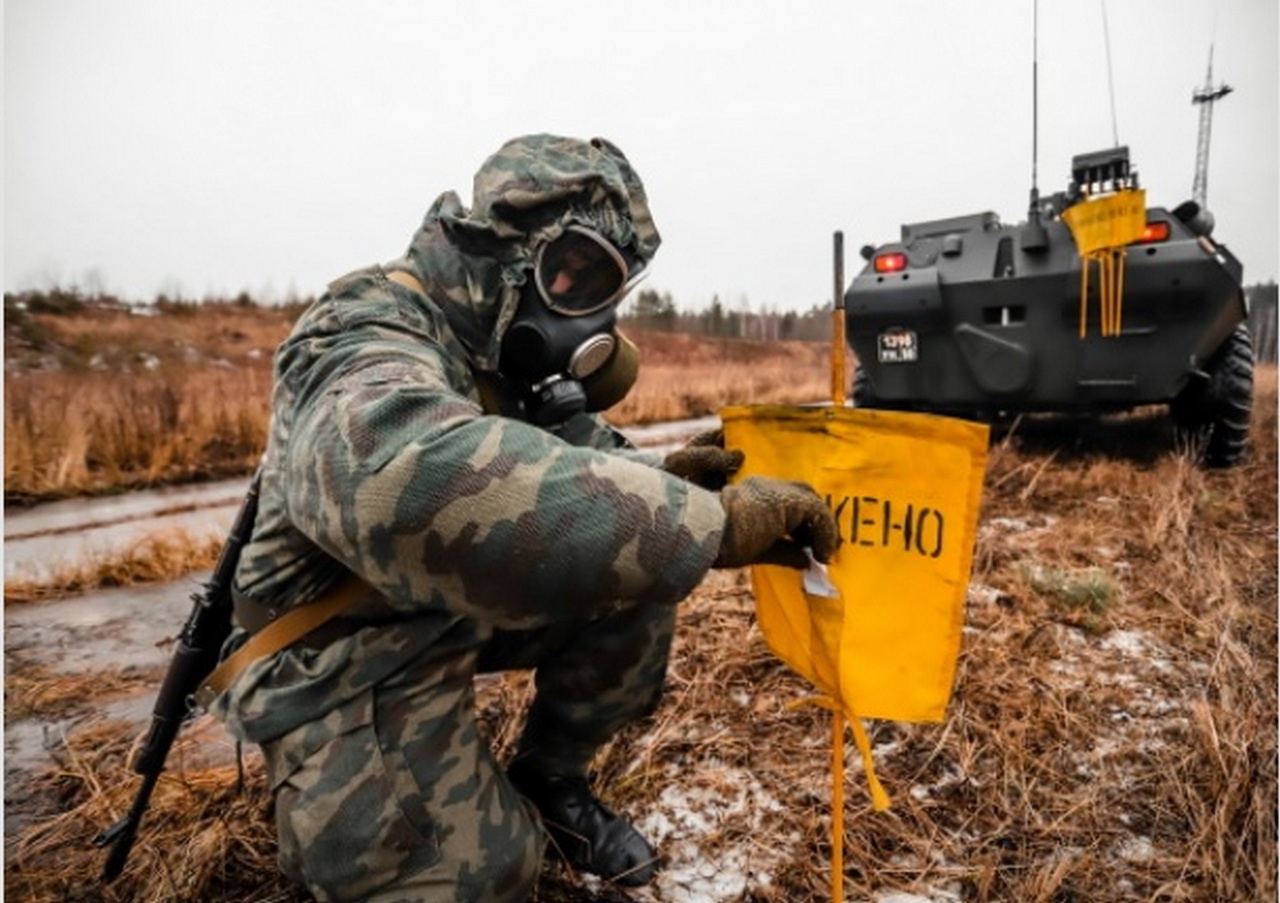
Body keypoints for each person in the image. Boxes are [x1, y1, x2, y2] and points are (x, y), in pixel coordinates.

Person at [207, 133, 839, 902]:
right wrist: (706, 524)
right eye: (567, 270)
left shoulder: (496, 352)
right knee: (490, 871)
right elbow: (406, 486)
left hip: (429, 607)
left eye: (598, 287)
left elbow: (579, 463)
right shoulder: (365, 337)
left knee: (635, 579)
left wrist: (677, 480)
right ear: (504, 246)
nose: (580, 303)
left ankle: (549, 778)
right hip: (338, 652)